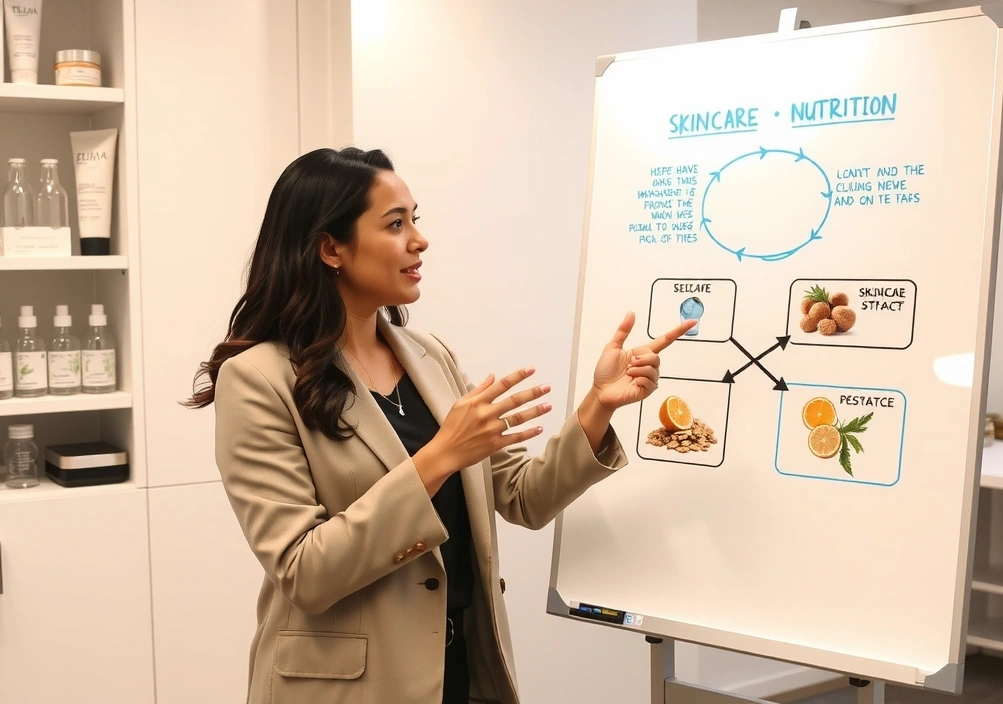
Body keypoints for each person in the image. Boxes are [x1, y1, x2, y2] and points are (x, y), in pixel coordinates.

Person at [186, 146, 693, 704]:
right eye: (395, 224)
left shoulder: (432, 357)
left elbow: (523, 496)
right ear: (331, 248)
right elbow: (305, 572)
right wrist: (439, 456)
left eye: (415, 220)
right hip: (348, 689)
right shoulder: (257, 379)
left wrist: (600, 404)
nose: (419, 240)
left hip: (460, 671)